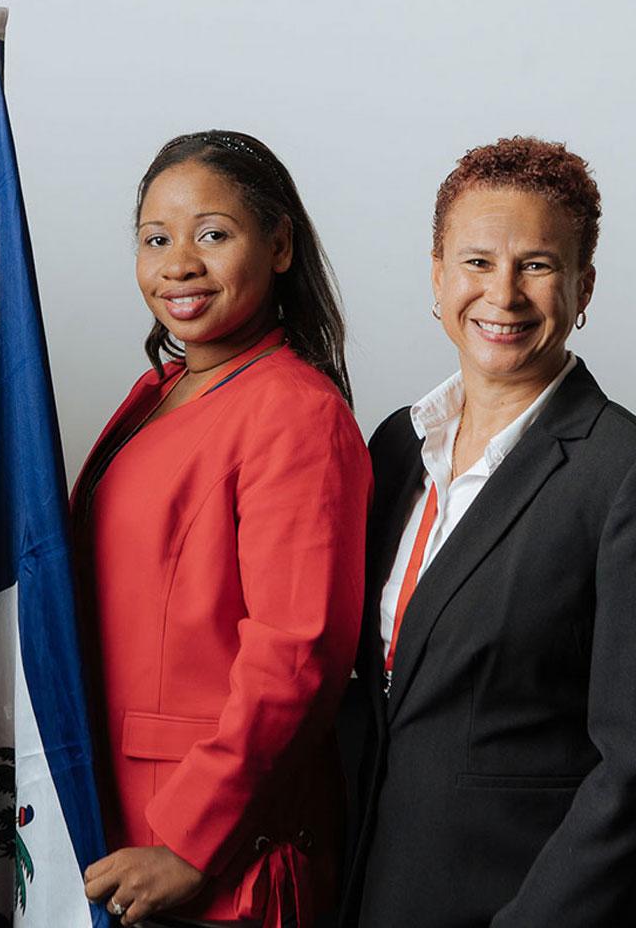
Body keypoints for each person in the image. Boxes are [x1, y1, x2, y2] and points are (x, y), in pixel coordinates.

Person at [73, 130, 371, 927]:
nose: (179, 264)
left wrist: (190, 843)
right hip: (116, 816)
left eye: (213, 234)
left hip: (217, 851)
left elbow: (297, 655)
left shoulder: (296, 413)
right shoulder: (158, 390)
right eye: (156, 239)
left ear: (278, 246)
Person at [339, 136, 636, 926]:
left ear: (584, 288)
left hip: (515, 904)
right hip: (366, 889)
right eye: (476, 262)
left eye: (537, 265)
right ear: (437, 278)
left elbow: (632, 771)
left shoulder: (620, 473)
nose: (502, 294)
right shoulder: (397, 446)